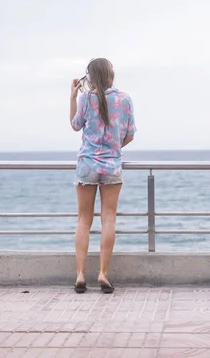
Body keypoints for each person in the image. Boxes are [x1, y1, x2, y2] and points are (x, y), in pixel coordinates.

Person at [69, 58, 136, 294]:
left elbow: (75, 125)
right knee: (109, 219)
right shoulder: (124, 99)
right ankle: (103, 274)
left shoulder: (86, 98)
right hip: (112, 165)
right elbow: (129, 135)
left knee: (83, 220)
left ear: (90, 76)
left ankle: (79, 275)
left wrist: (72, 96)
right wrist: (113, 149)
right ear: (111, 75)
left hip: (87, 163)